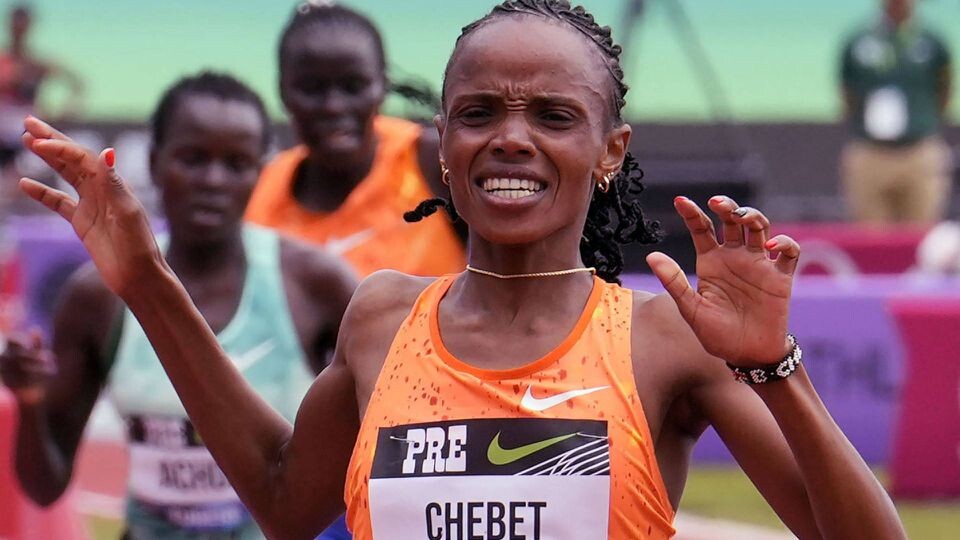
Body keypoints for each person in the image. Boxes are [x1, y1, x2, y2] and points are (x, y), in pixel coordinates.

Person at [16, 1, 906, 538]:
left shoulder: (661, 338)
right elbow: (285, 505)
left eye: (553, 115)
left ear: (610, 150)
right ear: (443, 144)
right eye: (479, 113)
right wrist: (149, 283)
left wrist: (775, 368)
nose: (511, 137)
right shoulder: (382, 319)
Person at [0, 72, 355, 539]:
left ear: (261, 172)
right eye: (193, 158)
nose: (213, 180)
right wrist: (28, 400)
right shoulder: (99, 296)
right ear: (154, 161)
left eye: (236, 163)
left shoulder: (314, 282)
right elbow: (45, 486)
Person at [245, 2, 465, 278]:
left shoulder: (433, 164)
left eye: (353, 86)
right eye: (311, 88)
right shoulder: (257, 192)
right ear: (282, 91)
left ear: (382, 86)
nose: (333, 106)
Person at [839, 0, 953, 224]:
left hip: (918, 151)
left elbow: (944, 89)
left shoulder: (932, 41)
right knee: (869, 235)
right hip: (870, 151)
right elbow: (847, 91)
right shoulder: (858, 41)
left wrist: (924, 121)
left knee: (921, 233)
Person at [0, 4, 83, 171]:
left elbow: (77, 84)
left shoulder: (36, 63)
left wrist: (62, 114)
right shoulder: (4, 61)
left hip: (26, 131)